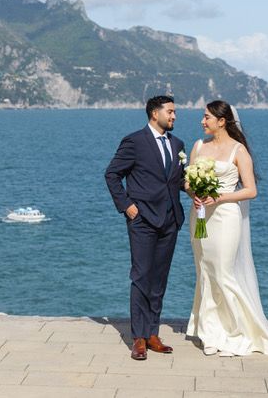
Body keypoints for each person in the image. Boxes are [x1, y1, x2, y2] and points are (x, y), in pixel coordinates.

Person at [186, 99, 268, 356]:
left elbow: (251, 190)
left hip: (226, 217)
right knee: (205, 271)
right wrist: (194, 192)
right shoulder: (198, 146)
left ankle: (236, 333)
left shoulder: (238, 151)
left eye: (206, 117)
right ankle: (211, 334)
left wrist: (220, 197)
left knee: (224, 273)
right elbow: (187, 181)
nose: (202, 121)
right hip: (200, 216)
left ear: (221, 121)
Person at [104, 94, 187, 361]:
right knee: (141, 277)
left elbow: (178, 180)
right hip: (142, 221)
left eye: (175, 112)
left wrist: (198, 188)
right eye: (171, 112)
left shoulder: (178, 144)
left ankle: (152, 333)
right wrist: (126, 205)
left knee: (159, 279)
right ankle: (138, 337)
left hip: (170, 220)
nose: (174, 116)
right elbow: (112, 174)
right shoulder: (134, 141)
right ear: (155, 113)